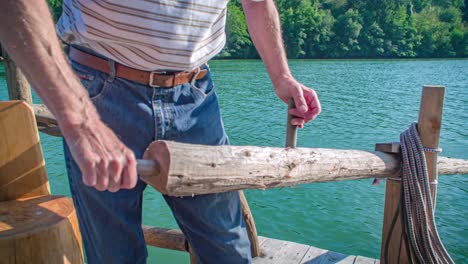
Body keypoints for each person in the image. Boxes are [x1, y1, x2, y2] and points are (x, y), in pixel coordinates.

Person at [0, 0, 321, 263]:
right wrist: (80, 120)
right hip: (99, 91)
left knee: (227, 248)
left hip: (196, 96)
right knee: (115, 254)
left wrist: (282, 77)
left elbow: (256, 2)